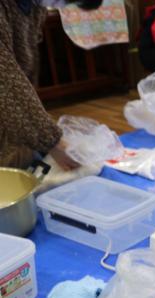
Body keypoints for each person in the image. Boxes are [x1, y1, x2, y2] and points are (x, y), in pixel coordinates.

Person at [0, 0, 101, 170]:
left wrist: (43, 132)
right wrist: (53, 141)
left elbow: (23, 73)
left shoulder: (33, 7)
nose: (57, 5)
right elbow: (7, 79)